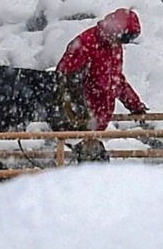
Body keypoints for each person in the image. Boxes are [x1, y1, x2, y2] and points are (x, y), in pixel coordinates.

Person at [57, 8, 149, 155]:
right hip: (81, 121)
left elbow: (116, 80)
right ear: (117, 31)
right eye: (125, 38)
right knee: (92, 164)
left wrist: (135, 105)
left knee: (91, 165)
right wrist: (80, 114)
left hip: (95, 120)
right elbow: (64, 80)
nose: (124, 43)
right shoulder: (85, 43)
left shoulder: (113, 46)